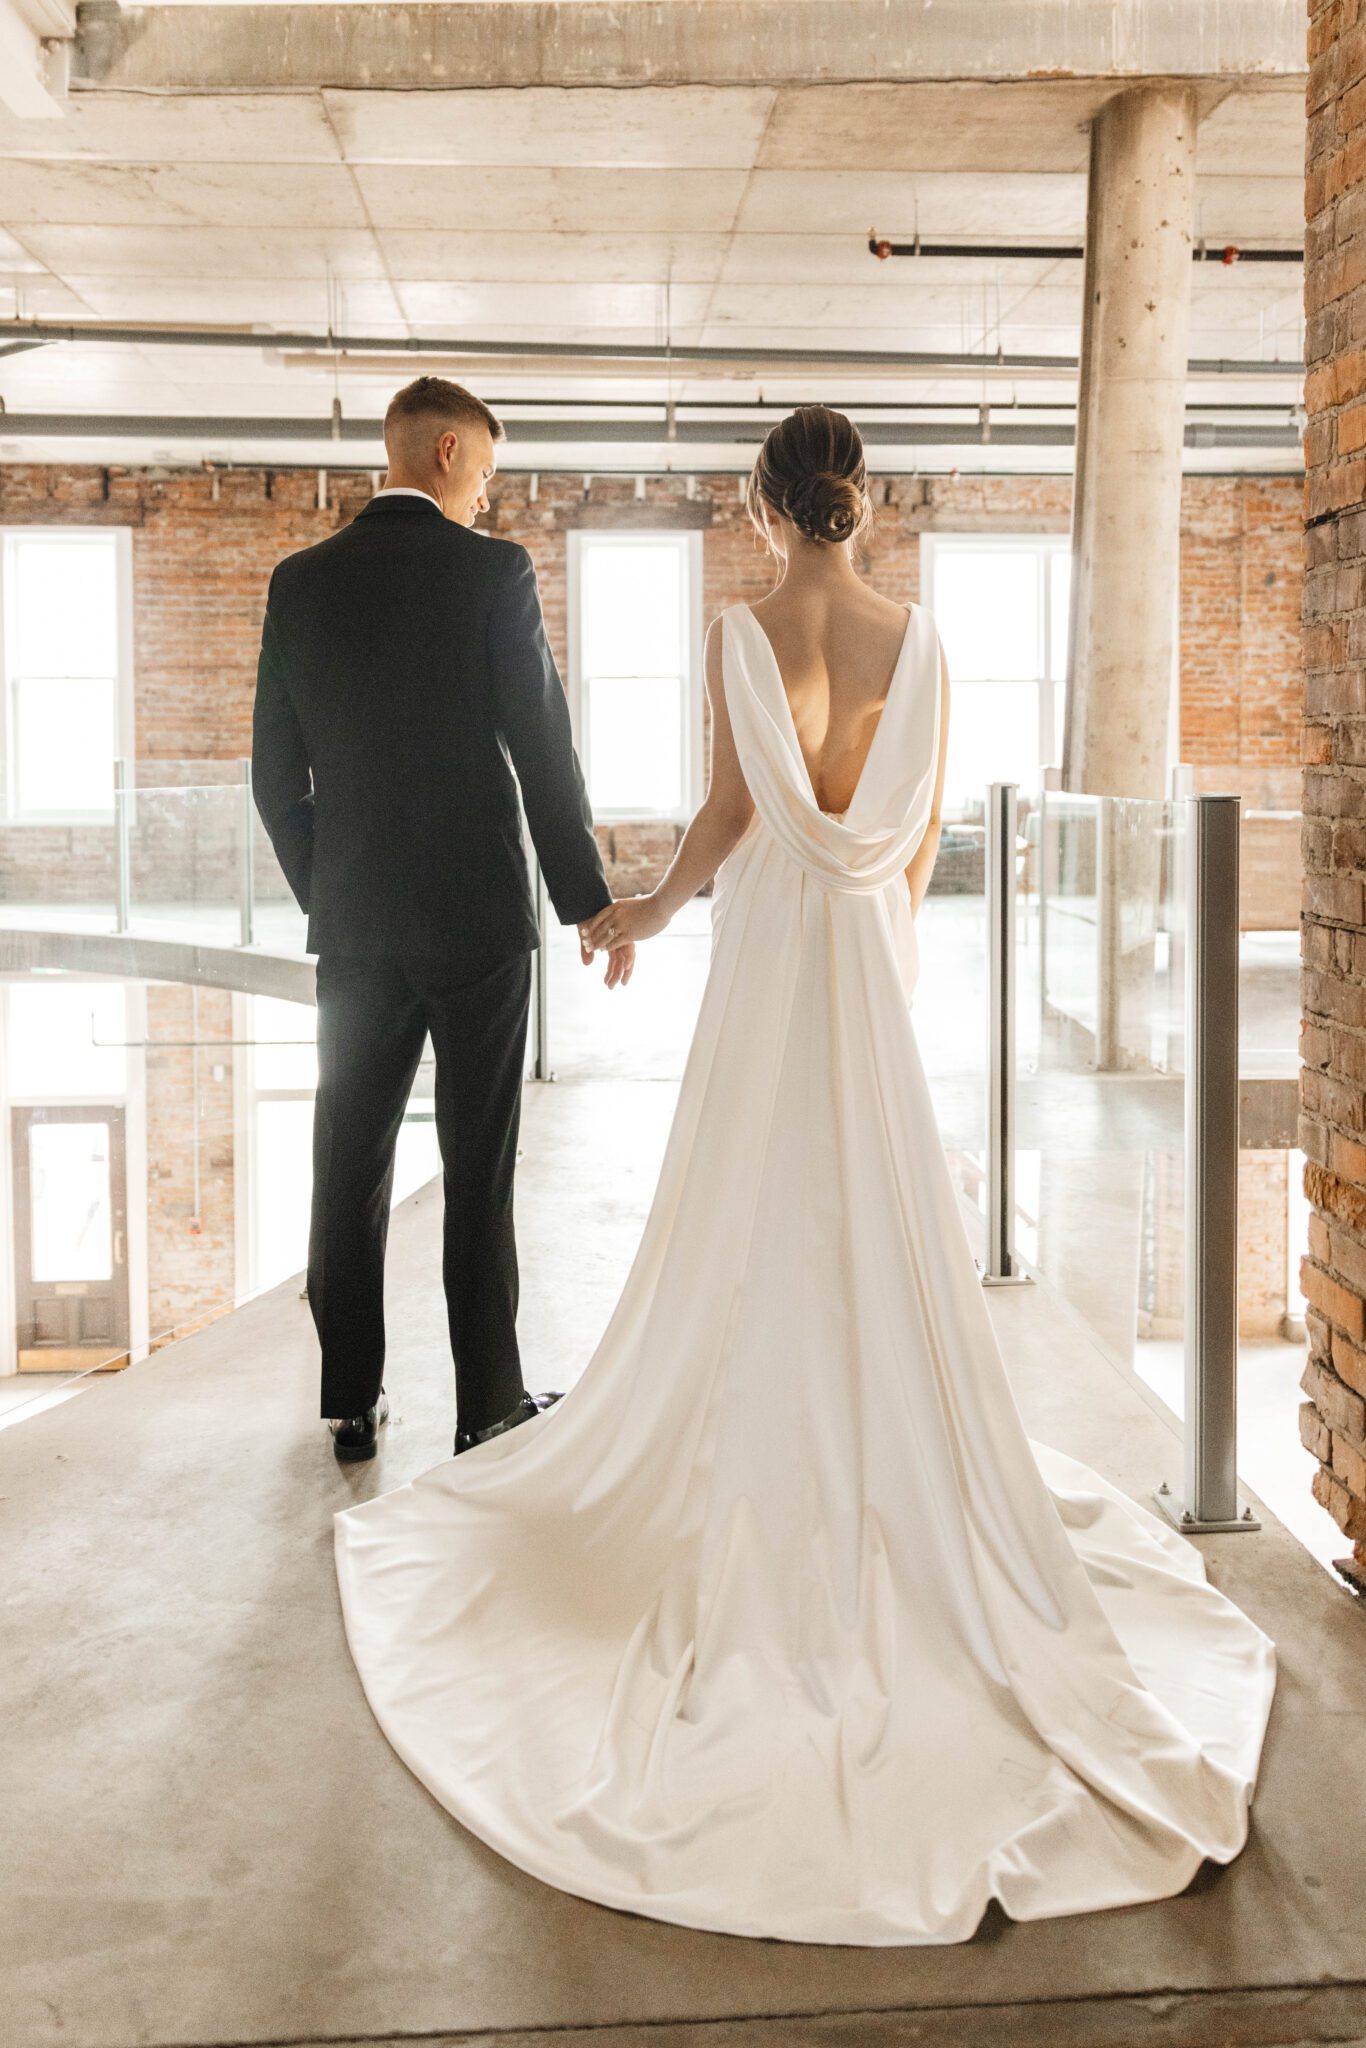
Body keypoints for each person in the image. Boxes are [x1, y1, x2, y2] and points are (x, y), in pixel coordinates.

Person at [333, 405, 1277, 1944]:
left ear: (765, 505)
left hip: (771, 954)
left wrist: (635, 915)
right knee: (875, 1220)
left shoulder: (738, 630)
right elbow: (907, 842)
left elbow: (727, 816)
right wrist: (885, 947)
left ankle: (753, 1448)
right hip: (861, 957)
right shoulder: (924, 638)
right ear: (861, 501)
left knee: (746, 1212)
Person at [252, 376, 634, 1465]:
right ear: (453, 450)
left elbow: (276, 775)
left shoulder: (301, 582)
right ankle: (488, 1405)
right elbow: (540, 742)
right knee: (479, 1162)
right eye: (490, 473)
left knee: (349, 1158)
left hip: (357, 925)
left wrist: (333, 890)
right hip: (475, 920)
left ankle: (350, 1400)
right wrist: (588, 902)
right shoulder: (492, 572)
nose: (488, 496)